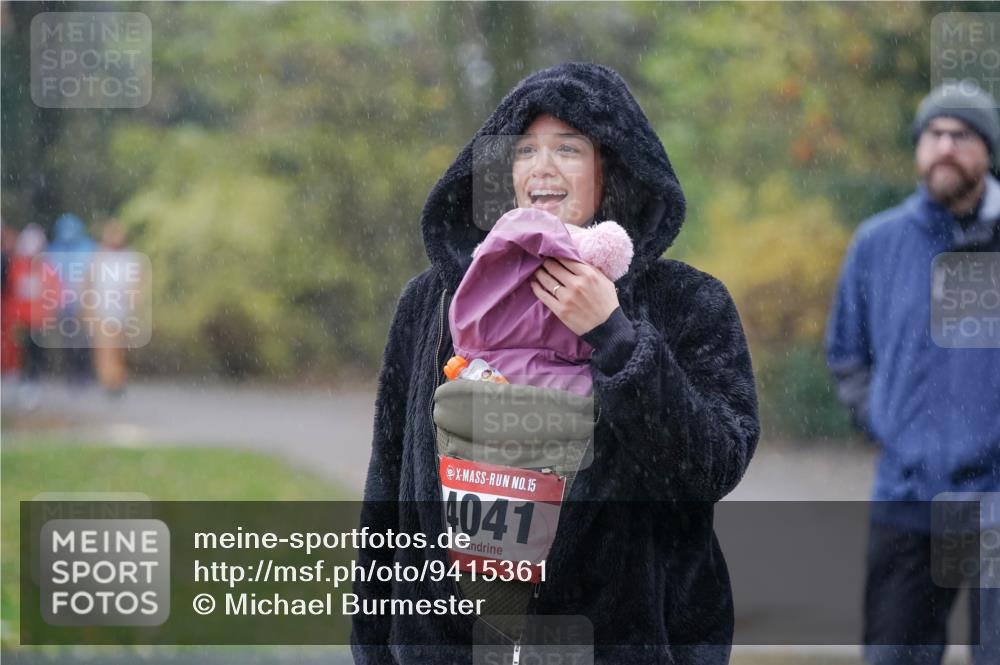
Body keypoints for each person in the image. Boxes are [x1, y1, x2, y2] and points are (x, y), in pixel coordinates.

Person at [352, 63, 760, 665]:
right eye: (524, 151)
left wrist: (616, 337)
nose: (542, 167)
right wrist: (373, 644)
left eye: (568, 148)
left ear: (611, 168)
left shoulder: (687, 304)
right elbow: (388, 483)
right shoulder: (434, 301)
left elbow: (712, 466)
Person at [826, 82, 1000, 665]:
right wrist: (888, 423)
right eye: (934, 134)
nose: (945, 146)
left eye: (962, 135)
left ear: (988, 152)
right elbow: (847, 354)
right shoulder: (878, 243)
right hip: (907, 495)